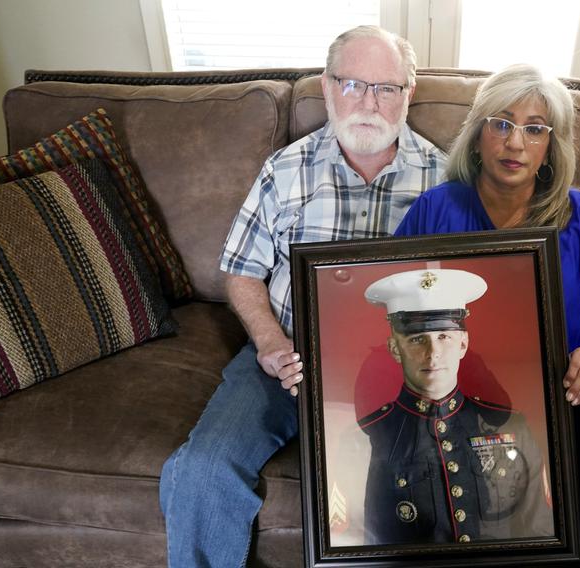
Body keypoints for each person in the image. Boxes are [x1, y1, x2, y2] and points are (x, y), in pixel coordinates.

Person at [158, 25, 446, 567]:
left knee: (397, 492)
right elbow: (241, 272)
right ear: (326, 85)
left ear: (410, 93)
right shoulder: (285, 170)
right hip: (287, 356)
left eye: (386, 88)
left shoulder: (444, 178)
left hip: (395, 370)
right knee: (201, 469)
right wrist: (268, 342)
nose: (368, 102)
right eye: (353, 84)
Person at [393, 64, 580, 566]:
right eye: (502, 123)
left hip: (574, 381)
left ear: (549, 150)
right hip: (470, 389)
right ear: (477, 139)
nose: (516, 142)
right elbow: (399, 302)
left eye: (535, 129)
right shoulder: (435, 209)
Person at [358, 268, 553, 545]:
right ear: (394, 349)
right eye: (416, 339)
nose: (433, 352)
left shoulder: (512, 426)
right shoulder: (367, 439)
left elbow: (539, 531)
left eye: (444, 337)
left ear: (463, 343)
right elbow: (364, 545)